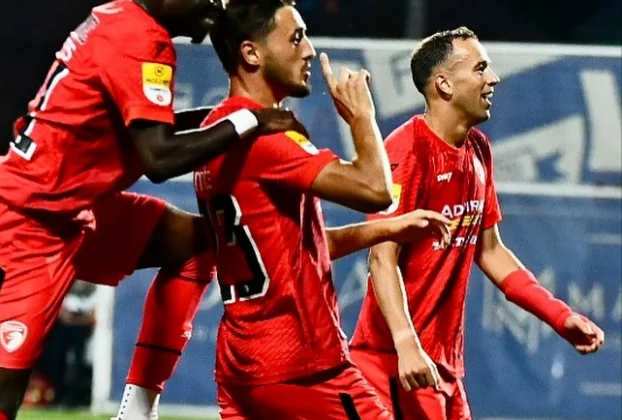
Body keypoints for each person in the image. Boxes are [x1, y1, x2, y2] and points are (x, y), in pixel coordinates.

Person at [0, 0, 306, 419]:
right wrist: (250, 123)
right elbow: (159, 158)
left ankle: (137, 410)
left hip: (70, 208)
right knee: (5, 391)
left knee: (199, 244)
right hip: (32, 222)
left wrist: (232, 117)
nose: (214, 3)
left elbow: (145, 127)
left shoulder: (118, 15)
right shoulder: (144, 38)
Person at [194, 1, 451, 418]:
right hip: (303, 366)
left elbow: (292, 250)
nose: (310, 50)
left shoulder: (217, 130)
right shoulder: (265, 137)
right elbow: (376, 190)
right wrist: (362, 117)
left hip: (243, 366)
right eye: (296, 38)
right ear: (251, 53)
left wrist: (386, 229)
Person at [349, 27, 606, 420]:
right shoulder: (407, 151)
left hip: (443, 366)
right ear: (444, 84)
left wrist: (559, 316)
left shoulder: (479, 150)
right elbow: (382, 259)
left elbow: (491, 251)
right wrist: (405, 343)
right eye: (480, 68)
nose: (494, 78)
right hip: (398, 365)